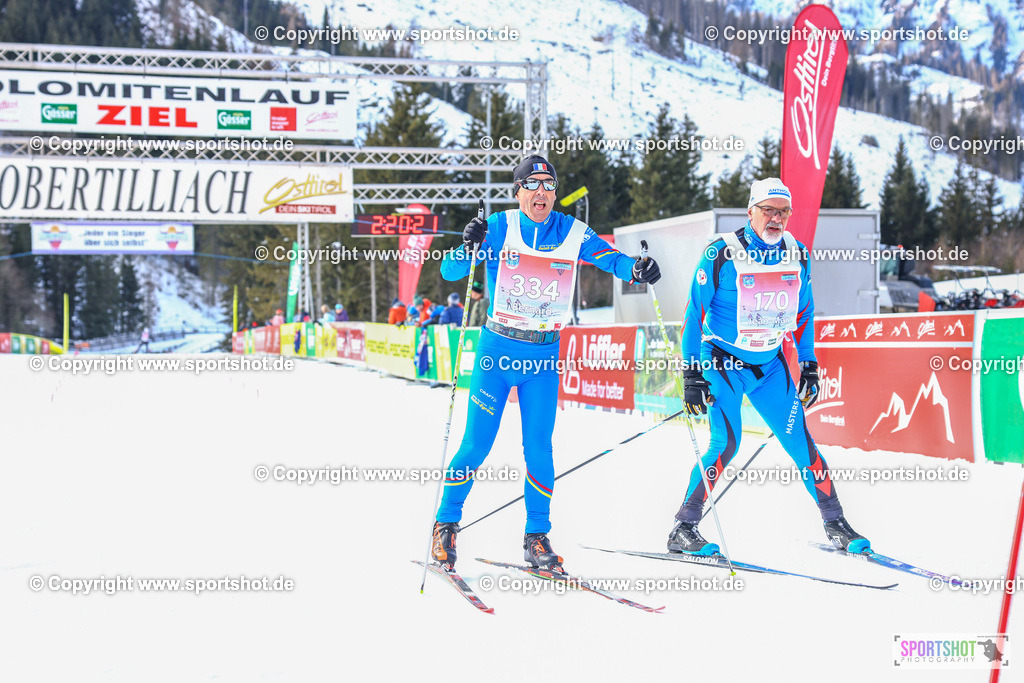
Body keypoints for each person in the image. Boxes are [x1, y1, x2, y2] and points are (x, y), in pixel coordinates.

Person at [430, 154, 662, 571]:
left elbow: (612, 260)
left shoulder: (573, 231)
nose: (542, 192)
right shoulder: (501, 226)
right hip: (497, 351)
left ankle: (536, 536)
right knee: (475, 446)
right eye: (532, 185)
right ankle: (445, 525)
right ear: (517, 192)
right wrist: (468, 243)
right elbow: (450, 271)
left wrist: (637, 269)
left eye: (549, 185)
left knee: (539, 449)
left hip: (542, 357)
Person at [666, 177, 869, 556]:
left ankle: (835, 521)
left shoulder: (799, 254)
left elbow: (805, 312)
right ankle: (684, 526)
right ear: (750, 212)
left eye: (783, 212)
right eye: (768, 210)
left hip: (771, 367)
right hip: (723, 362)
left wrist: (808, 364)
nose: (775, 218)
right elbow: (694, 316)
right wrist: (691, 374)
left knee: (801, 444)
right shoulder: (721, 254)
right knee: (726, 445)